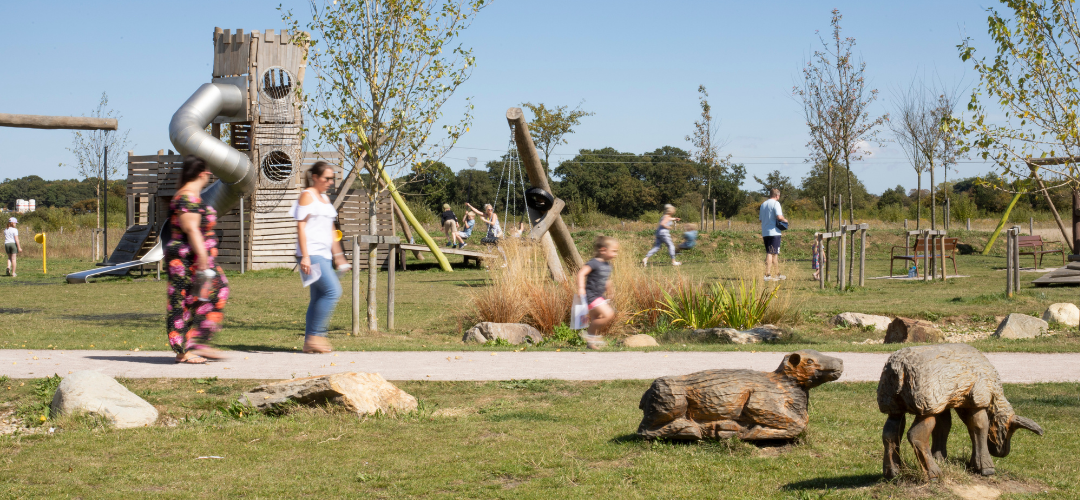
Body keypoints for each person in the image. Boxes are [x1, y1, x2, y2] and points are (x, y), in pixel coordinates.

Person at [165, 156, 230, 364]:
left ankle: (199, 341)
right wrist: (202, 254)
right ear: (202, 173)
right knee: (182, 301)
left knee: (215, 290)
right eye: (209, 173)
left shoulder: (193, 196)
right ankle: (183, 350)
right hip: (186, 259)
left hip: (197, 259)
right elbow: (190, 227)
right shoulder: (186, 197)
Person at [293, 161, 352, 354]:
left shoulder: (325, 199)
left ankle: (310, 342)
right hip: (312, 255)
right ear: (315, 178)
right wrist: (305, 257)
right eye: (326, 178)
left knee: (318, 297)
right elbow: (300, 227)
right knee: (333, 291)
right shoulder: (306, 196)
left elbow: (331, 229)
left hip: (324, 255)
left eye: (332, 178)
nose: (330, 182)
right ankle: (316, 336)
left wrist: (339, 257)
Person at [576, 235, 619, 350]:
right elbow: (581, 273)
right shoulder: (594, 262)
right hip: (591, 295)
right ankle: (588, 336)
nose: (616, 254)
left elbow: (607, 280)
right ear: (603, 250)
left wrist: (610, 290)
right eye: (614, 251)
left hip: (599, 296)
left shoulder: (608, 265)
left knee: (596, 319)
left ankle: (591, 343)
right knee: (609, 314)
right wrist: (580, 288)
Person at [759, 188, 789, 281]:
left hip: (765, 232)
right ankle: (767, 274)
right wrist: (785, 220)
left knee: (775, 253)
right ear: (777, 196)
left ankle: (777, 274)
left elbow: (760, 219)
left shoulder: (763, 204)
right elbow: (779, 216)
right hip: (774, 232)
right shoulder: (776, 203)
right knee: (770, 252)